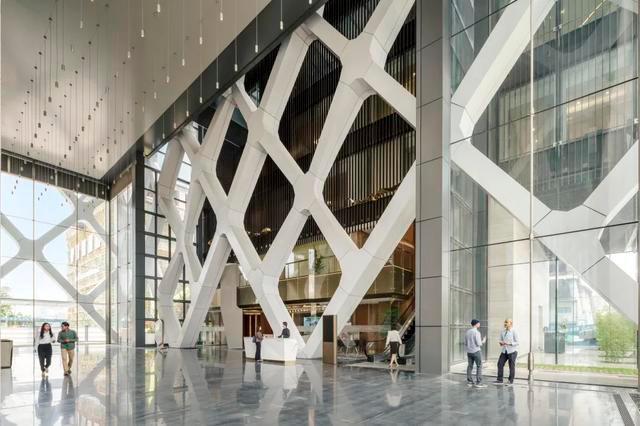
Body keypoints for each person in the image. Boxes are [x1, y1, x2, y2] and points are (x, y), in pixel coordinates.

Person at [494, 318, 519, 385]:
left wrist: (509, 343)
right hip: (504, 351)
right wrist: (501, 343)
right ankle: (500, 380)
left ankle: (510, 380)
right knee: (500, 364)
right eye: (505, 322)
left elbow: (517, 342)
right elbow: (500, 340)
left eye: (507, 322)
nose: (505, 323)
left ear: (511, 324)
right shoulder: (503, 331)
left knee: (511, 366)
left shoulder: (514, 331)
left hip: (512, 351)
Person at [464, 319, 487, 388]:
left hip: (469, 352)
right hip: (476, 351)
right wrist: (483, 341)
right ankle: (479, 382)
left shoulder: (467, 332)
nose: (479, 324)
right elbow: (479, 343)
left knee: (470, 366)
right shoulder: (477, 332)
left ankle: (469, 381)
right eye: (479, 323)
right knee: (479, 366)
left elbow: (465, 343)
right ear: (476, 324)